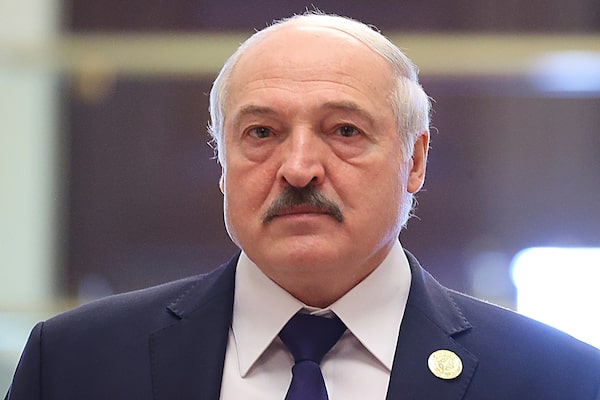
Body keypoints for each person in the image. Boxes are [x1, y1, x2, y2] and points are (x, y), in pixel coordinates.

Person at [5, 12, 600, 400]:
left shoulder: (558, 380)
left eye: (344, 131)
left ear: (415, 161)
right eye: (261, 133)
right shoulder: (76, 364)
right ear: (223, 162)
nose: (298, 168)